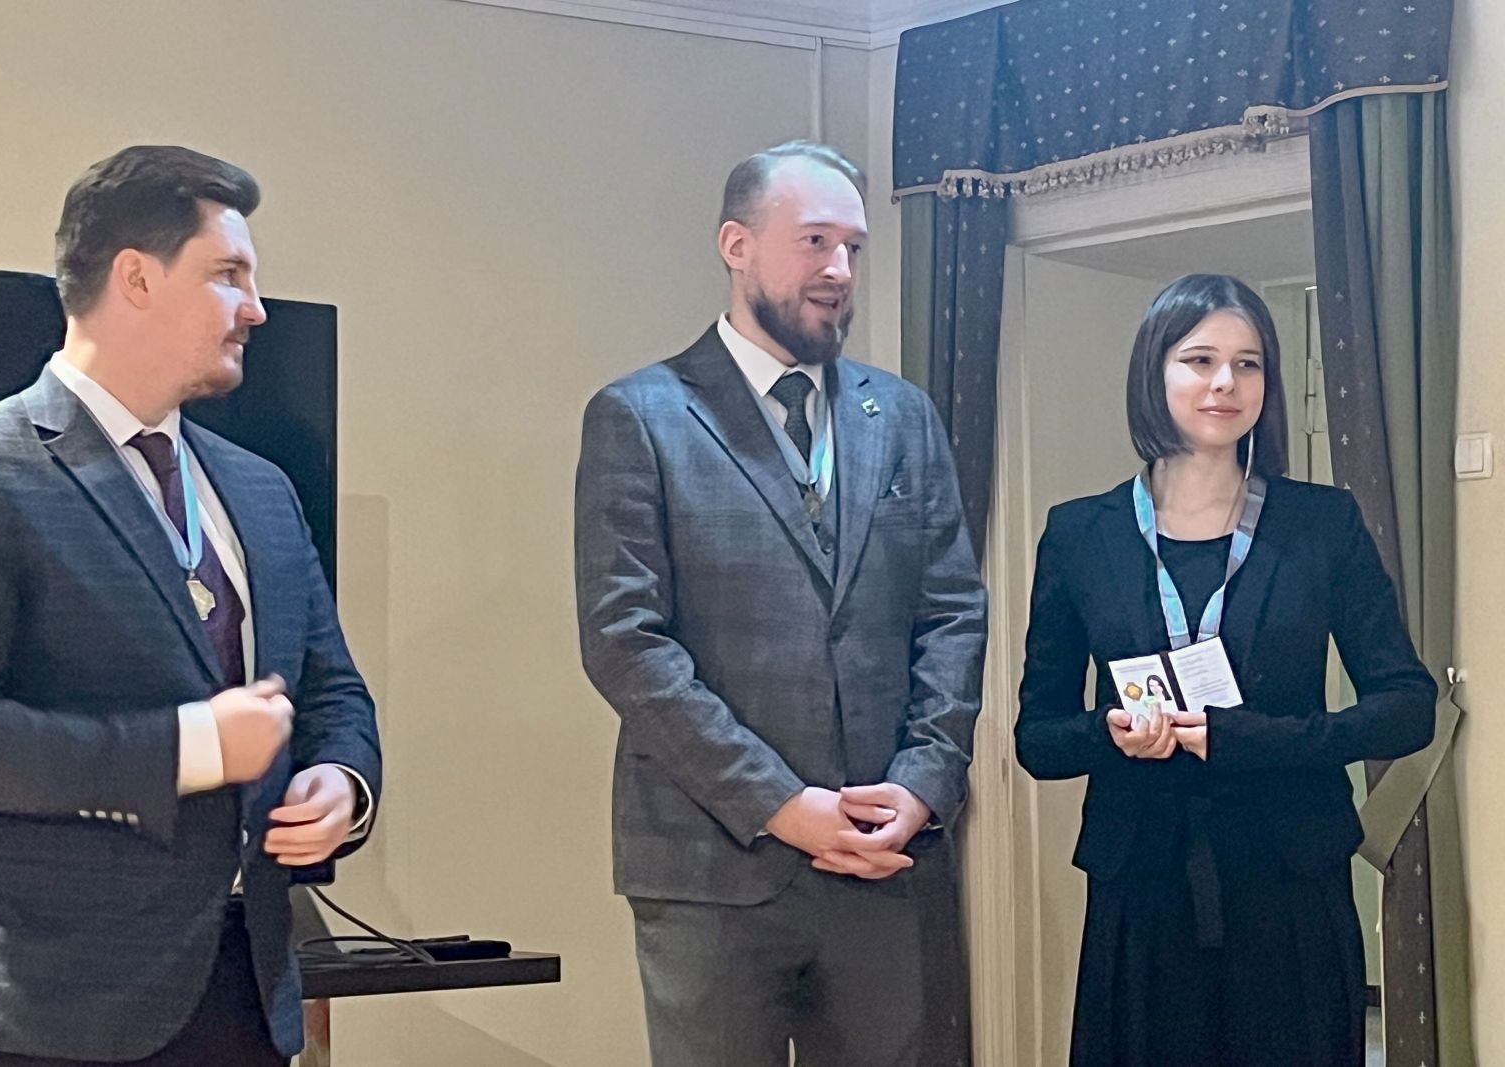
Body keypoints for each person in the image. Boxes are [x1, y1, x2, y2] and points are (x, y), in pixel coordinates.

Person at [0, 145, 381, 1066]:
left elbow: (332, 689)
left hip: (247, 989)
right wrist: (189, 748)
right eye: (228, 274)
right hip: (46, 1008)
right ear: (136, 278)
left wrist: (343, 782)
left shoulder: (262, 490)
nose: (257, 307)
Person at [575, 141, 986, 1066]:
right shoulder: (641, 416)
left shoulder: (904, 416)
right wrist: (780, 802)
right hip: (712, 867)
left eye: (853, 248)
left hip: (885, 855)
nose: (839, 269)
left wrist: (923, 782)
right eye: (814, 241)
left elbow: (954, 613)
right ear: (737, 245)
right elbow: (625, 642)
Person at [1014, 273, 1436, 1066]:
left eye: (1248, 364)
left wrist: (1259, 738)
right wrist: (1109, 732)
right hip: (1141, 884)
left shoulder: (1322, 522)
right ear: (1154, 373)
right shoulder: (1079, 535)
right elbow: (1038, 738)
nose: (1225, 383)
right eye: (1199, 359)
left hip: (1291, 878)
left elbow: (1408, 705)